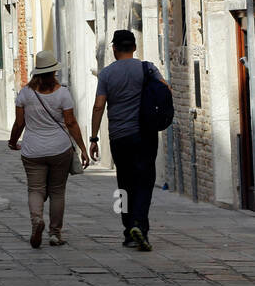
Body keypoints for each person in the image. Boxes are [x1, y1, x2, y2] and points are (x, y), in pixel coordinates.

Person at [90, 29, 168, 251]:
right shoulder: (147, 68)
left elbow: (98, 106)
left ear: (114, 49)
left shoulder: (106, 74)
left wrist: (94, 137)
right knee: (145, 182)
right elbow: (165, 90)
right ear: (134, 48)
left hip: (118, 137)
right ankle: (139, 226)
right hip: (145, 135)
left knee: (123, 185)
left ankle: (127, 231)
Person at [9, 49, 89, 248]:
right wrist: (83, 148)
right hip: (59, 150)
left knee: (35, 189)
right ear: (53, 72)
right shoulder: (62, 94)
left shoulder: (25, 94)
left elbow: (19, 124)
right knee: (57, 191)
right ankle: (55, 233)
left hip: (32, 150)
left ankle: (37, 220)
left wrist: (12, 141)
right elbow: (71, 123)